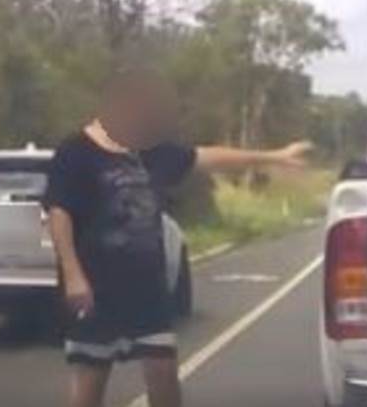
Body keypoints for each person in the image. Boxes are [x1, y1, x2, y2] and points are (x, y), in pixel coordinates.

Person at [42, 66, 312, 407]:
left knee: (163, 368)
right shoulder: (76, 152)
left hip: (145, 289)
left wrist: (274, 157)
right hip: (96, 288)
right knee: (90, 379)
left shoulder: (150, 150)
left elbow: (207, 156)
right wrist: (73, 275)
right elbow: (59, 213)